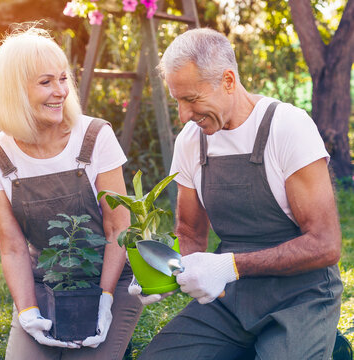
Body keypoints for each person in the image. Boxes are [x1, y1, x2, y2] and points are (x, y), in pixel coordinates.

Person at [136, 28, 343, 359]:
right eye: (177, 100)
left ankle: (326, 344)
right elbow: (190, 232)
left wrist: (228, 267)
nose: (183, 116)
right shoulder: (192, 141)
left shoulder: (287, 127)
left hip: (303, 294)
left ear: (228, 81)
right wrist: (170, 274)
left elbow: (325, 245)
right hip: (231, 298)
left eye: (191, 99)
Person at [0, 26, 142, 360]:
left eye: (63, 79)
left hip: (112, 278)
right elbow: (12, 248)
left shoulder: (94, 137)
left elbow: (118, 229)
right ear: (15, 91)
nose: (60, 92)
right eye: (46, 82)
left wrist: (105, 298)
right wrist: (27, 310)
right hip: (46, 281)